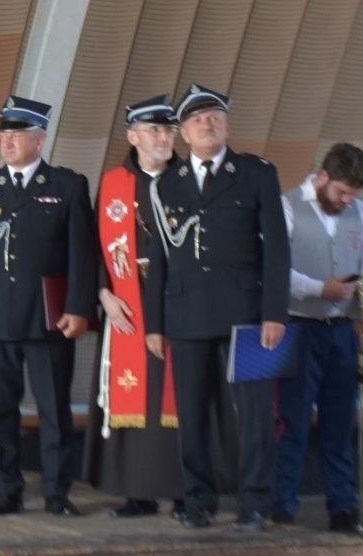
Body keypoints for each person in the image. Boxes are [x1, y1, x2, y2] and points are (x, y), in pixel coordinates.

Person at [145, 84, 290, 531]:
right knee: (191, 413)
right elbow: (160, 261)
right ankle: (199, 500)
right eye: (197, 120)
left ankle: (254, 504)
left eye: (214, 118)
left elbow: (277, 250)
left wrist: (275, 313)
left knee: (255, 416)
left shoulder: (256, 173)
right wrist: (155, 324)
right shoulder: (167, 184)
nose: (207, 125)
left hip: (248, 317)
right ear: (183, 133)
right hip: (186, 316)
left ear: (227, 126)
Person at [84, 96, 232, 519]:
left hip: (181, 304)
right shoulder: (112, 182)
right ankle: (138, 492)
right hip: (127, 306)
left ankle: (189, 490)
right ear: (133, 136)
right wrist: (102, 293)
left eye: (169, 130)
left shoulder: (190, 179)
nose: (164, 137)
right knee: (136, 396)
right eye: (154, 130)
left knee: (185, 396)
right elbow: (94, 247)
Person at [0, 96, 96, 516]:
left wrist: (77, 307)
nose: (8, 141)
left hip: (48, 319)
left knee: (53, 410)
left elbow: (81, 255)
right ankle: (6, 489)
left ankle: (56, 491)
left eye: (17, 134)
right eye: (4, 134)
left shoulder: (66, 186)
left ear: (40, 139)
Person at [274, 142, 363, 533]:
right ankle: (281, 505)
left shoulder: (358, 211)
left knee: (341, 423)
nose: (347, 201)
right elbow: (274, 269)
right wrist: (318, 289)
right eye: (342, 192)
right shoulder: (287, 206)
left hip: (343, 331)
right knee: (291, 421)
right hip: (299, 327)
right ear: (323, 176)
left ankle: (343, 505)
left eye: (353, 195)